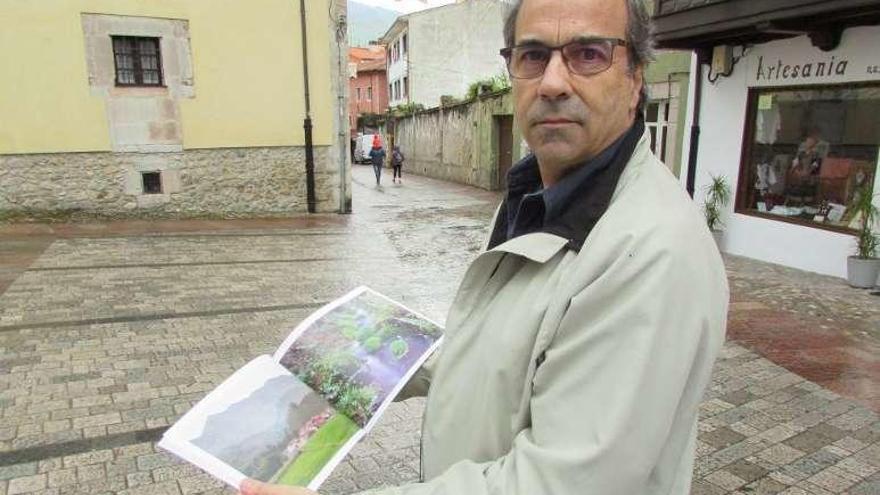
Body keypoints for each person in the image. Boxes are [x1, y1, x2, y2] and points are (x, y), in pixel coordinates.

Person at [239, 0, 728, 494]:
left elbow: (559, 483)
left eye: (587, 54)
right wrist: (372, 359)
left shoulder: (649, 253)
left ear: (635, 76)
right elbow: (505, 344)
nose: (553, 83)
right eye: (533, 56)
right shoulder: (536, 194)